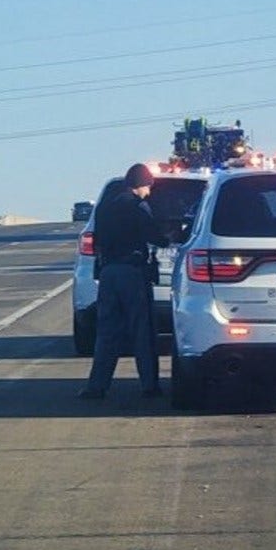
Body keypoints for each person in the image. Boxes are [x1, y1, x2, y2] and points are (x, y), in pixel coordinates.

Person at [78, 163, 170, 399]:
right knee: (142, 331)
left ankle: (97, 387)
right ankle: (149, 385)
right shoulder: (138, 206)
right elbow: (155, 237)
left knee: (107, 333)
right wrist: (169, 238)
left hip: (108, 274)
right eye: (148, 187)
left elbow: (96, 239)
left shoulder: (105, 207)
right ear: (141, 184)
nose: (149, 192)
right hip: (132, 273)